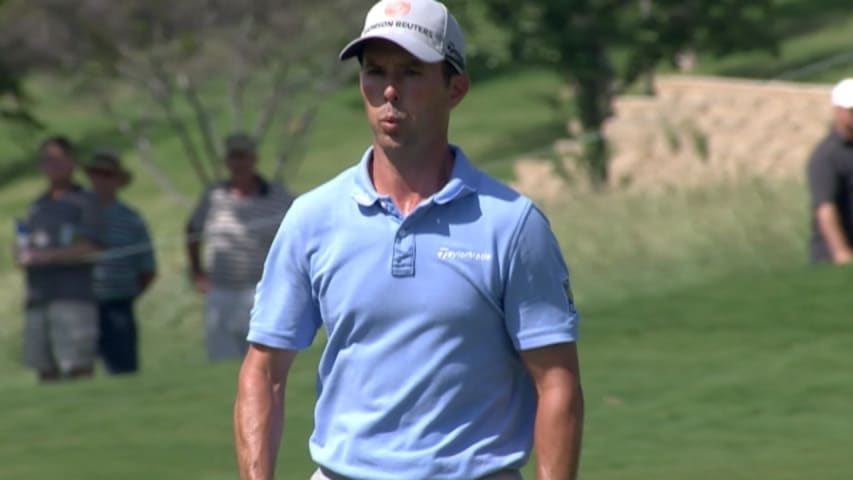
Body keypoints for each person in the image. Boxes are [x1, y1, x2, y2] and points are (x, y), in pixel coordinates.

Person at [234, 1, 584, 479]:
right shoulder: (312, 218)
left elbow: (557, 382)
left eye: (412, 73)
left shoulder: (512, 224)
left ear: (455, 88)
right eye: (375, 72)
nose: (390, 91)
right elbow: (264, 373)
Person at [186, 132, 294, 361]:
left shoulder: (278, 195)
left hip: (261, 290)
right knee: (222, 359)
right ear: (227, 161)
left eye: (243, 156)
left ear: (254, 159)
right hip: (221, 291)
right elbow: (192, 230)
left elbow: (299, 232)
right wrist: (196, 272)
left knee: (261, 359)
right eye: (234, 157)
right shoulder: (214, 195)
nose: (239, 163)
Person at [16, 136, 102, 382]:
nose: (52, 165)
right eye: (47, 160)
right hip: (39, 298)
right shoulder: (37, 206)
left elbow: (92, 247)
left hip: (73, 298)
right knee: (45, 370)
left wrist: (47, 256)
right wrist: (23, 254)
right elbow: (31, 246)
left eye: (58, 159)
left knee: (77, 368)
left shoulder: (86, 202)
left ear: (72, 162)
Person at [85, 150, 157, 374]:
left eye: (108, 175)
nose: (102, 180)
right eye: (97, 174)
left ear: (117, 180)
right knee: (77, 372)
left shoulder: (131, 218)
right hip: (81, 303)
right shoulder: (78, 213)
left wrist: (128, 292)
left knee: (122, 369)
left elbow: (147, 267)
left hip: (118, 305)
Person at [807, 78, 853, 264]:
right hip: (832, 258)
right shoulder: (827, 156)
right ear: (838, 111)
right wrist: (842, 253)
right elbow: (826, 209)